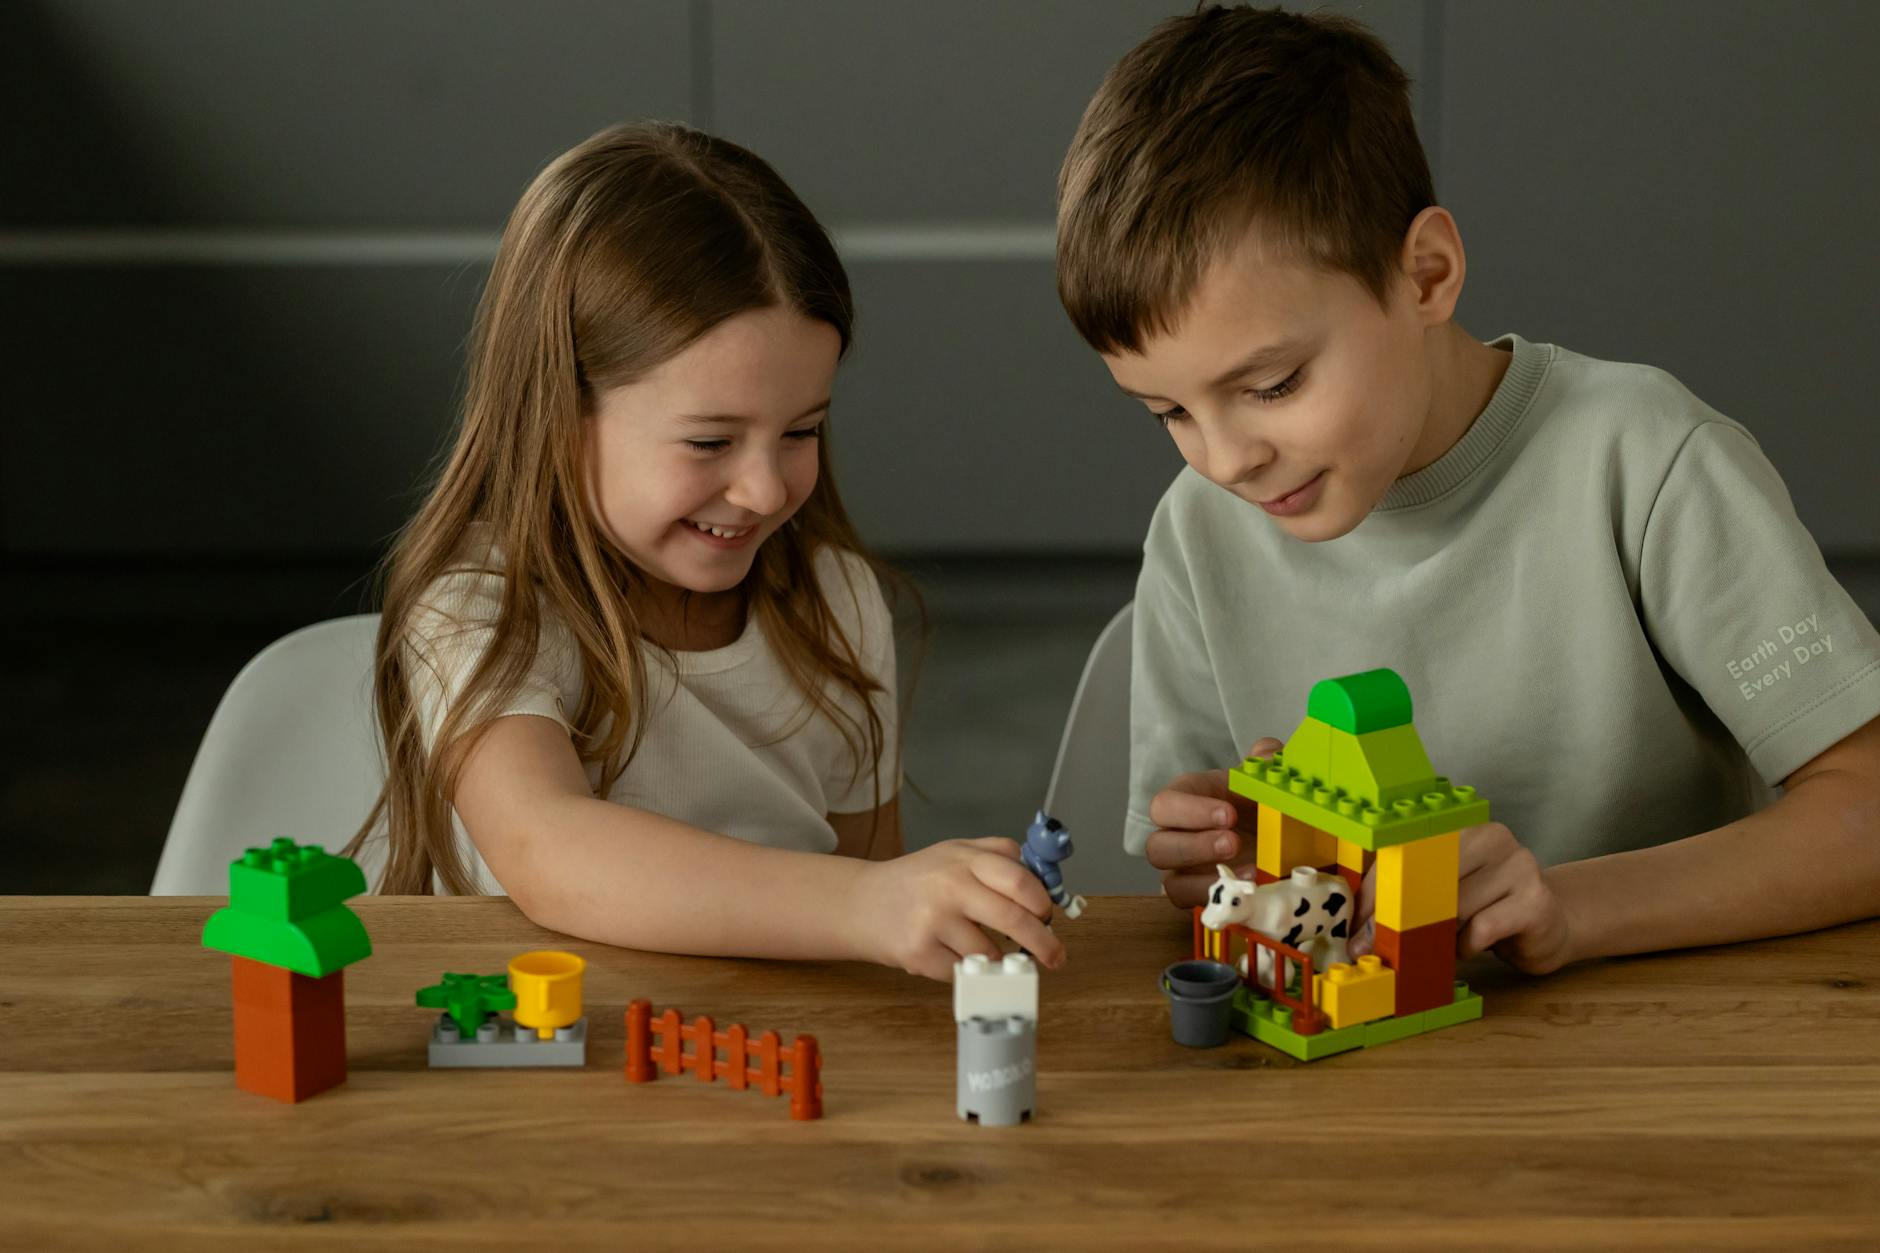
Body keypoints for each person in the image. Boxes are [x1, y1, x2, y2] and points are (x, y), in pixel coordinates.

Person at [1054, 6, 1880, 973]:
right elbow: (1201, 876)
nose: (1226, 459)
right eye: (1169, 413)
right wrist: (1215, 853)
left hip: (1658, 1054)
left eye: (1272, 385)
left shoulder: (1646, 464)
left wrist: (1568, 907)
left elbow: (1864, 801)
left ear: (1427, 274)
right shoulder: (1199, 529)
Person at [345, 121, 1061, 982]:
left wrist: (918, 908)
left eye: (802, 429)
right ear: (557, 414)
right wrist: (866, 903)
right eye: (709, 442)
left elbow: (879, 906)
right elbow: (549, 847)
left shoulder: (833, 601)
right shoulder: (483, 612)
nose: (764, 490)